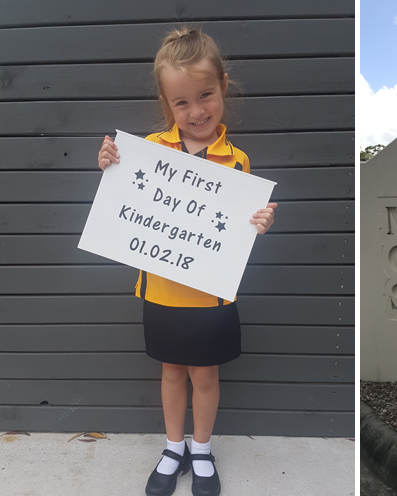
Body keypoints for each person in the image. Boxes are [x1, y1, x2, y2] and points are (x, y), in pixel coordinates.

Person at [97, 27, 277, 496]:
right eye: (182, 102)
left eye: (206, 95)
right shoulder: (148, 150)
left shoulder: (237, 163)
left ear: (222, 88)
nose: (196, 111)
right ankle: (173, 447)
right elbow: (124, 197)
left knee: (206, 375)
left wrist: (258, 222)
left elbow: (234, 229)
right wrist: (110, 163)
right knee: (171, 372)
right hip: (161, 290)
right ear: (166, 105)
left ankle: (201, 449)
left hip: (211, 293)